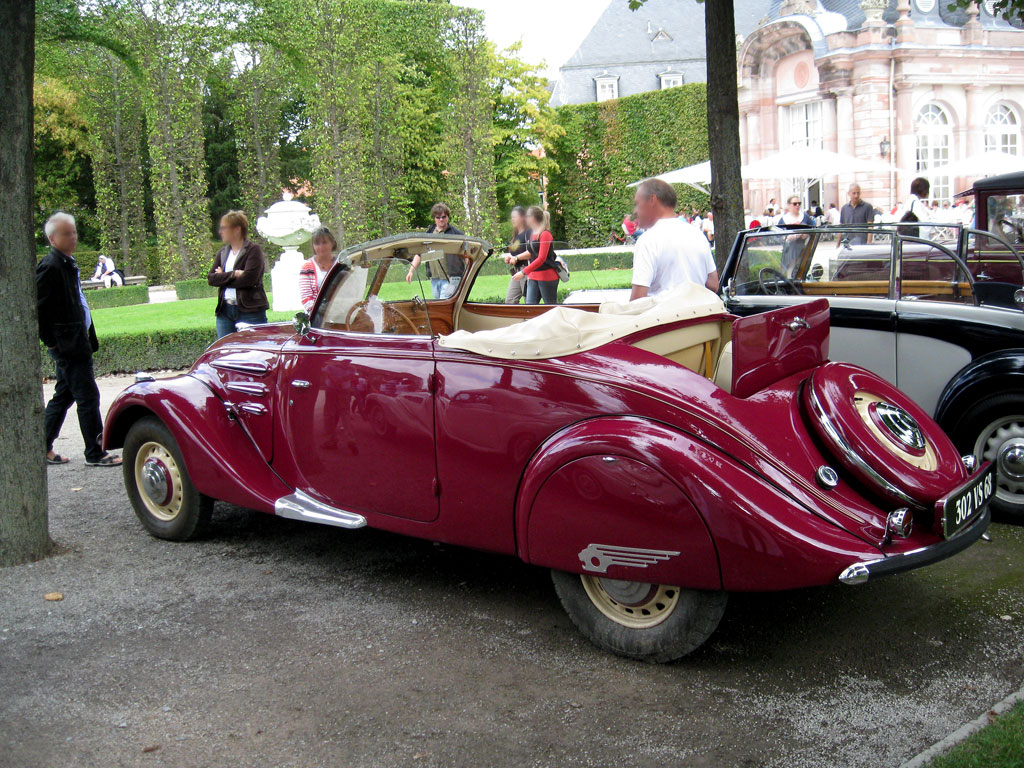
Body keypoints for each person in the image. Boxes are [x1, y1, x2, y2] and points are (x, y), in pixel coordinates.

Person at [36, 212, 122, 468]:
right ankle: (95, 452)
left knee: (64, 395)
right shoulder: (51, 266)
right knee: (87, 397)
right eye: (67, 233)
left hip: (74, 341)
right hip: (68, 345)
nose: (73, 237)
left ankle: (41, 446)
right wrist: (53, 344)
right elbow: (38, 310)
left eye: (73, 232)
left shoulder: (65, 262)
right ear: (52, 238)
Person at [629, 178, 718, 302]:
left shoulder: (648, 240)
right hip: (699, 316)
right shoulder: (697, 235)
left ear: (652, 200)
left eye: (638, 204)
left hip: (663, 319)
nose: (635, 211)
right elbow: (713, 284)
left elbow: (637, 300)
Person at [208, 210, 269, 339]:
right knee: (225, 353)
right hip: (225, 311)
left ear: (236, 229)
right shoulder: (223, 253)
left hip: (250, 310)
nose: (220, 232)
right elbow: (211, 279)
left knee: (254, 350)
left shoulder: (253, 250)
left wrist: (223, 276)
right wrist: (234, 274)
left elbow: (249, 280)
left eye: (224, 228)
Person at [407, 202, 465, 299]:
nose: (441, 219)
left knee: (445, 302)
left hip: (451, 280)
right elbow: (419, 254)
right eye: (438, 217)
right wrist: (411, 271)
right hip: (435, 279)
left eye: (443, 217)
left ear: (448, 217)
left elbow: (466, 253)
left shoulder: (456, 234)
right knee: (438, 304)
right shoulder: (429, 233)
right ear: (434, 218)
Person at [509, 206, 559, 304]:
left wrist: (523, 272)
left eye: (528, 216)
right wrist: (516, 258)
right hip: (533, 277)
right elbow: (531, 254)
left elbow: (541, 258)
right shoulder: (532, 235)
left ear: (534, 218)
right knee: (530, 307)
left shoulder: (545, 234)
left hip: (546, 276)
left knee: (550, 308)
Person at [298, 226, 339, 313]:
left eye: (324, 242)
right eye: (317, 243)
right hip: (316, 316)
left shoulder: (341, 264)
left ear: (332, 243)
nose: (321, 247)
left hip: (340, 312)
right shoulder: (307, 267)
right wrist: (321, 312)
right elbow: (306, 297)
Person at [777, 196, 814, 275]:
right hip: (789, 248)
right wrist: (787, 237)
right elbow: (779, 235)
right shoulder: (784, 219)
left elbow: (813, 231)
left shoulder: (805, 217)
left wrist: (806, 234)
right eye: (795, 204)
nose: (797, 205)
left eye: (799, 203)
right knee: (789, 269)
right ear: (789, 205)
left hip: (803, 248)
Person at [502, 206, 532, 304]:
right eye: (512, 217)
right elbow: (515, 252)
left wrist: (516, 258)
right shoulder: (515, 235)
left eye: (515, 217)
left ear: (523, 217)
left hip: (526, 271)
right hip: (517, 271)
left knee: (529, 301)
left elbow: (532, 252)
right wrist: (510, 257)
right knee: (510, 300)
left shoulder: (529, 232)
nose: (512, 219)